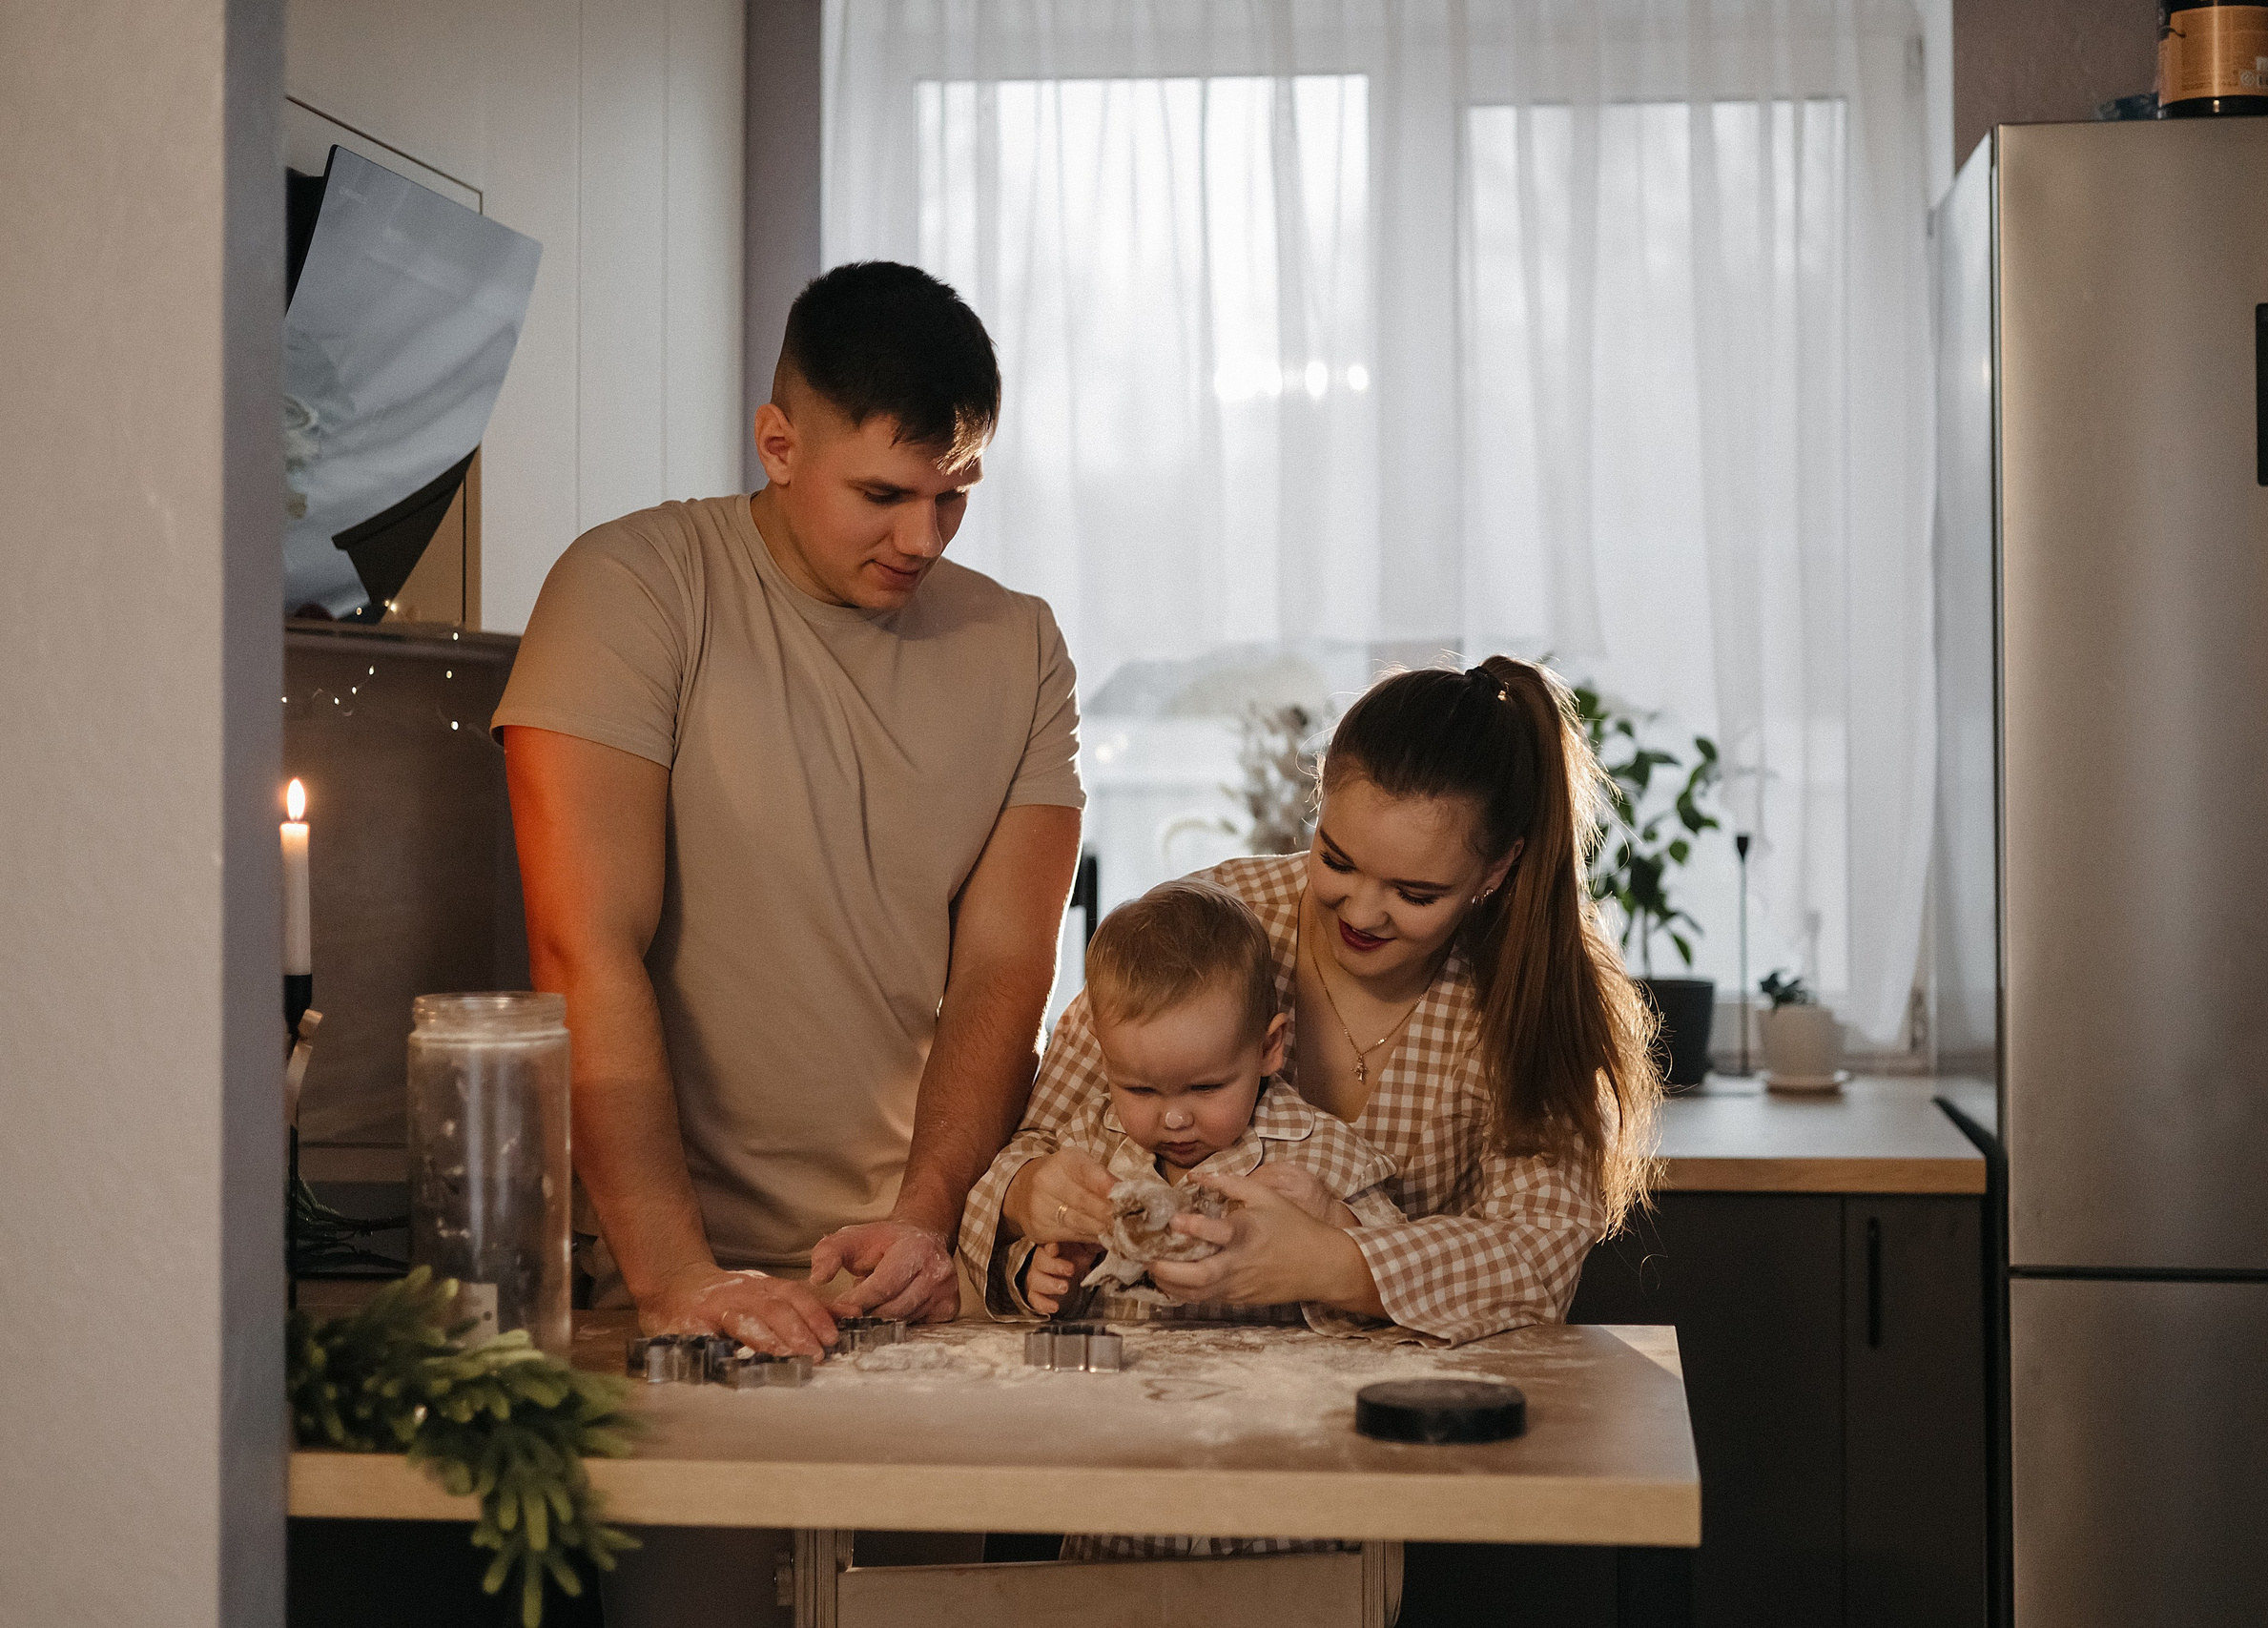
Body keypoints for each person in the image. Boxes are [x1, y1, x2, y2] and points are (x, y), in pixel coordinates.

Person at [495, 262, 1084, 1359]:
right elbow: (582, 946)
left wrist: (926, 1219)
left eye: (952, 495)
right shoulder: (631, 587)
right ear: (778, 445)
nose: (923, 537)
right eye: (882, 495)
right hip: (657, 1265)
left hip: (922, 1265)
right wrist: (674, 1274)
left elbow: (1005, 966)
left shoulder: (1021, 645)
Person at [963, 655, 1663, 1346]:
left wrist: (1329, 1262)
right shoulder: (1207, 928)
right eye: (1336, 858)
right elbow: (1030, 1147)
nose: (1361, 910)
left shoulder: (1527, 991)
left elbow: (1537, 1258)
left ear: (1497, 868)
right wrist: (1032, 1194)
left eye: (1415, 893)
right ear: (1320, 802)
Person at [986, 877, 1403, 1321]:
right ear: (1104, 1058)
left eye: (1205, 1088)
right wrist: (1047, 1274)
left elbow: (1401, 1271)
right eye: (1140, 1089)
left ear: (1268, 1048)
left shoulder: (1323, 1156)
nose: (1175, 1117)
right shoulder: (1088, 1147)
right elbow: (1027, 1236)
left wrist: (1333, 1222)